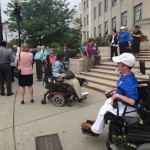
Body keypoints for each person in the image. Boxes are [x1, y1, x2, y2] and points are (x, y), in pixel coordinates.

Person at [81, 53, 138, 135]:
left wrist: (117, 95)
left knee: (104, 109)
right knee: (107, 102)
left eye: (119, 63)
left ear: (125, 66)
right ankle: (99, 121)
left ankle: (95, 129)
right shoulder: (126, 76)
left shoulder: (129, 81)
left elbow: (132, 101)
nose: (117, 65)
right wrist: (113, 89)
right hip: (122, 103)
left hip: (128, 108)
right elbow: (123, 88)